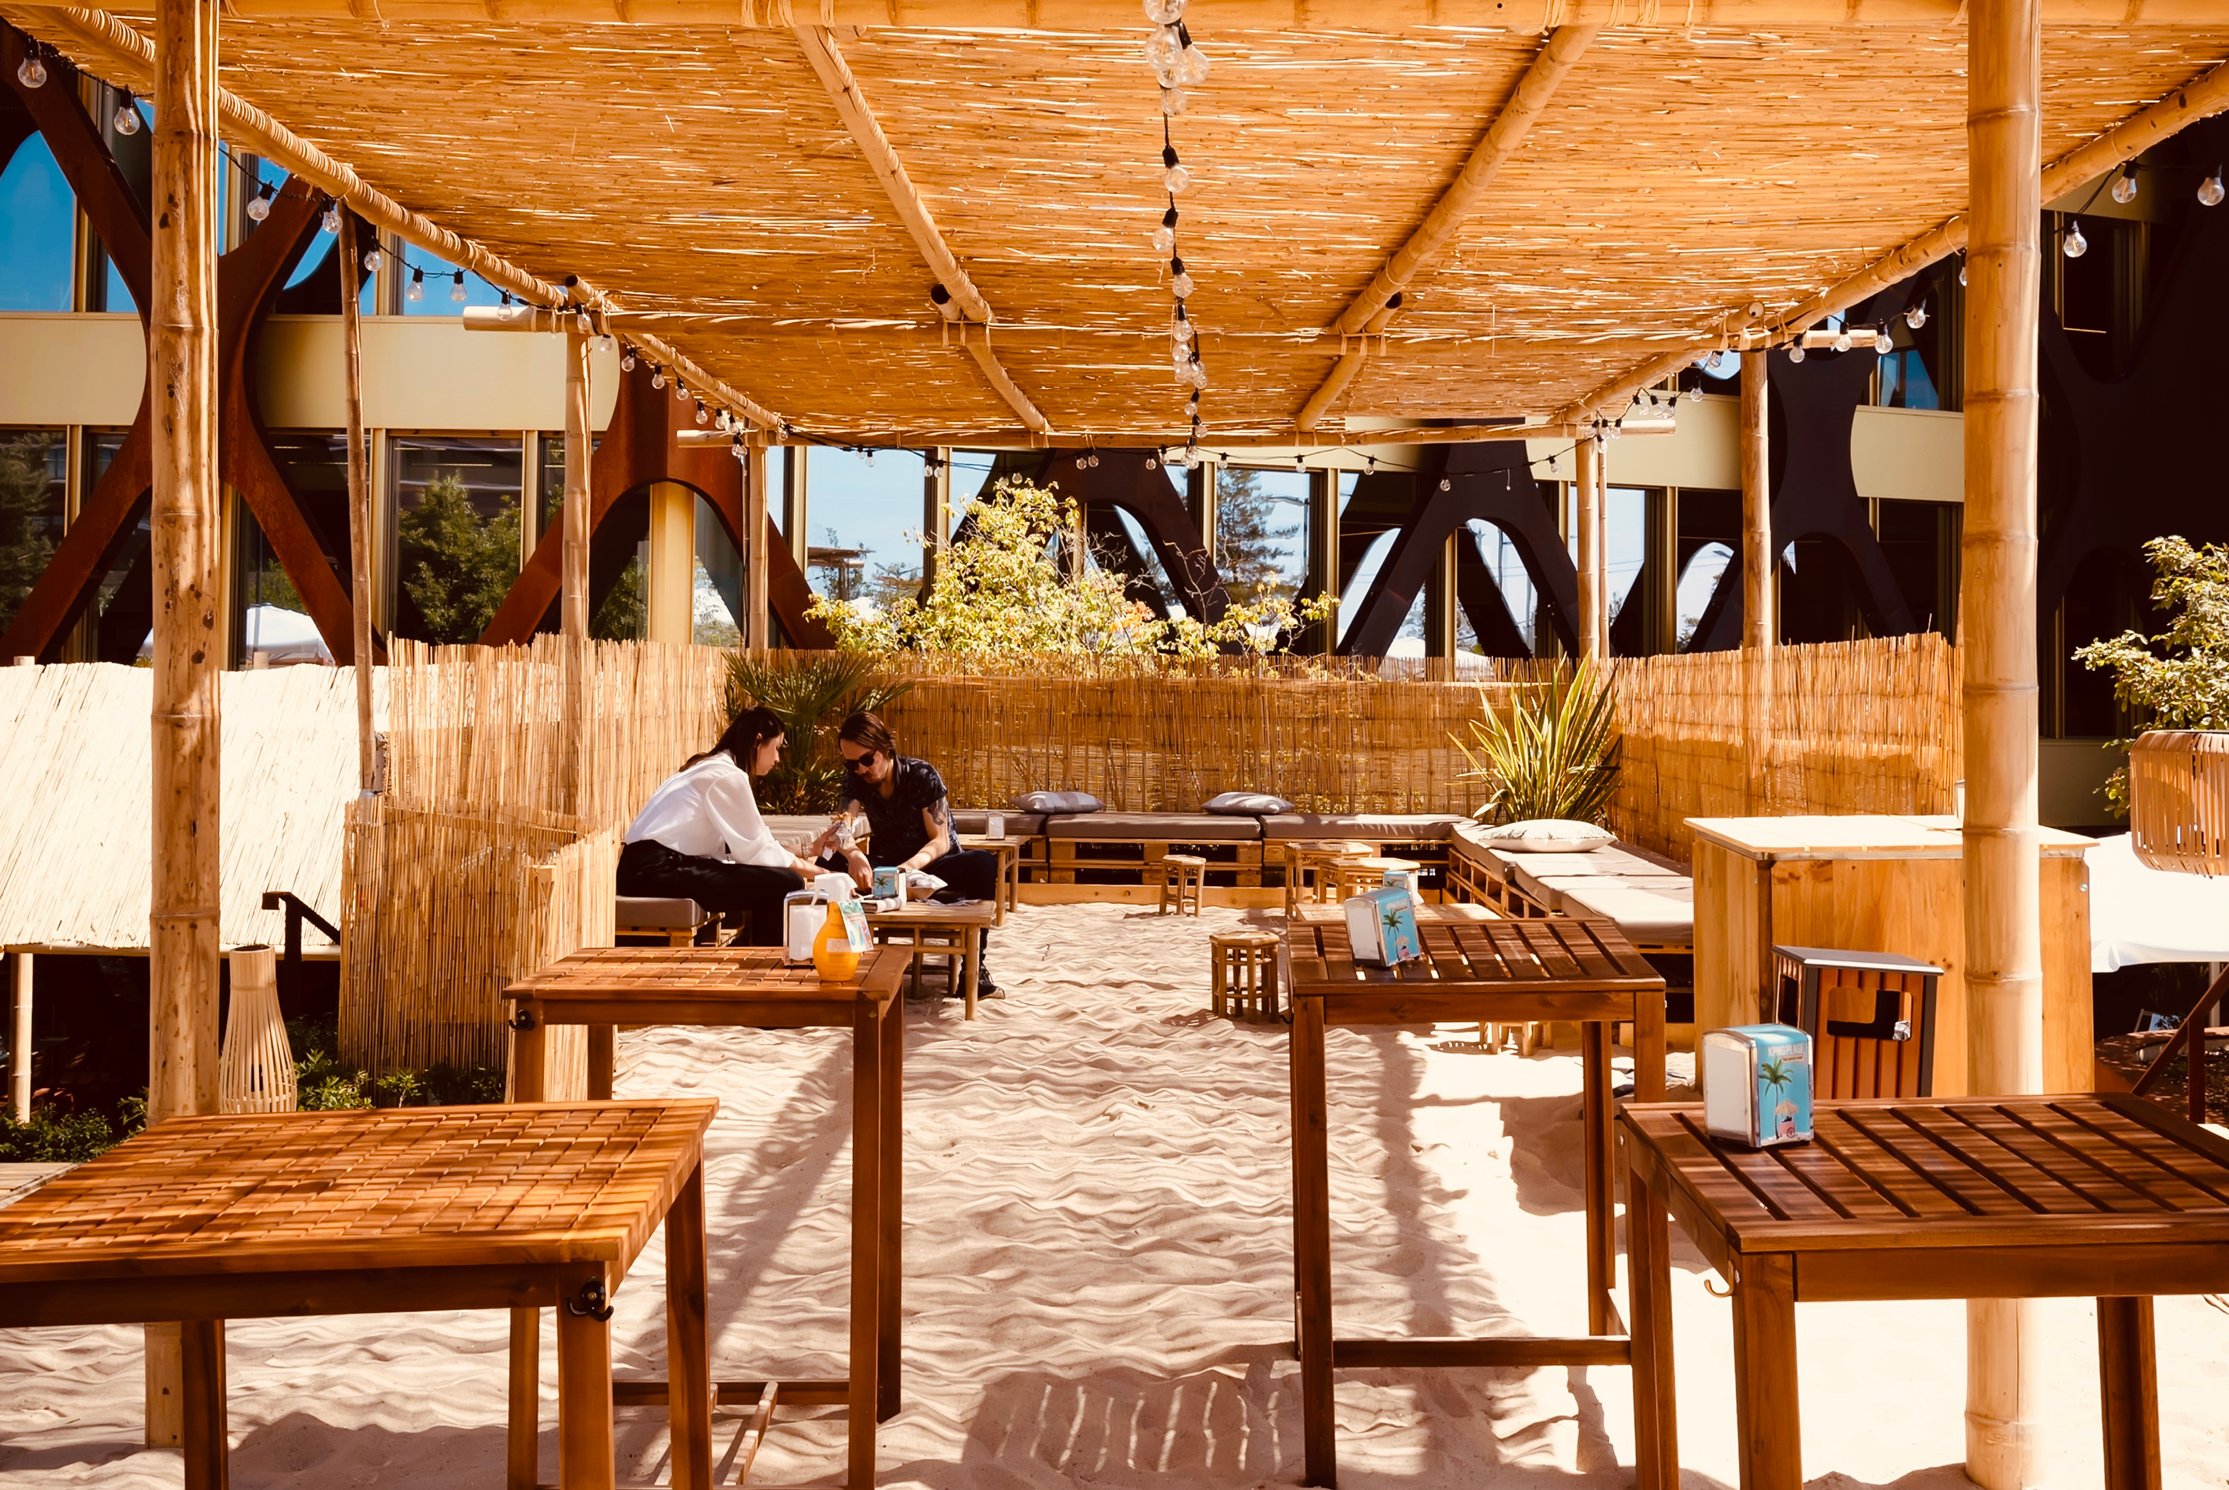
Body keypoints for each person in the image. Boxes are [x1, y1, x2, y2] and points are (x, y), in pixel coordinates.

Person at [808, 711, 1002, 998]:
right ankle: (835, 955)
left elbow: (940, 841)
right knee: (828, 861)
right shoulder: (855, 779)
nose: (860, 769)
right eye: (851, 763)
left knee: (983, 864)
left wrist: (907, 869)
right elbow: (842, 828)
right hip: (886, 868)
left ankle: (976, 967)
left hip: (933, 866)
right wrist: (853, 854)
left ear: (885, 748)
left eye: (866, 760)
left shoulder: (921, 775)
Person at [617, 706, 824, 946]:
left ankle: (761, 956)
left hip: (651, 867)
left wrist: (805, 854)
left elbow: (749, 845)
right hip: (655, 871)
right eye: (776, 748)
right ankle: (767, 965)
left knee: (780, 879)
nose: (778, 758)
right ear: (758, 741)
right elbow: (757, 850)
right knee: (785, 883)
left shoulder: (711, 767)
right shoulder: (725, 775)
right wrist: (818, 873)